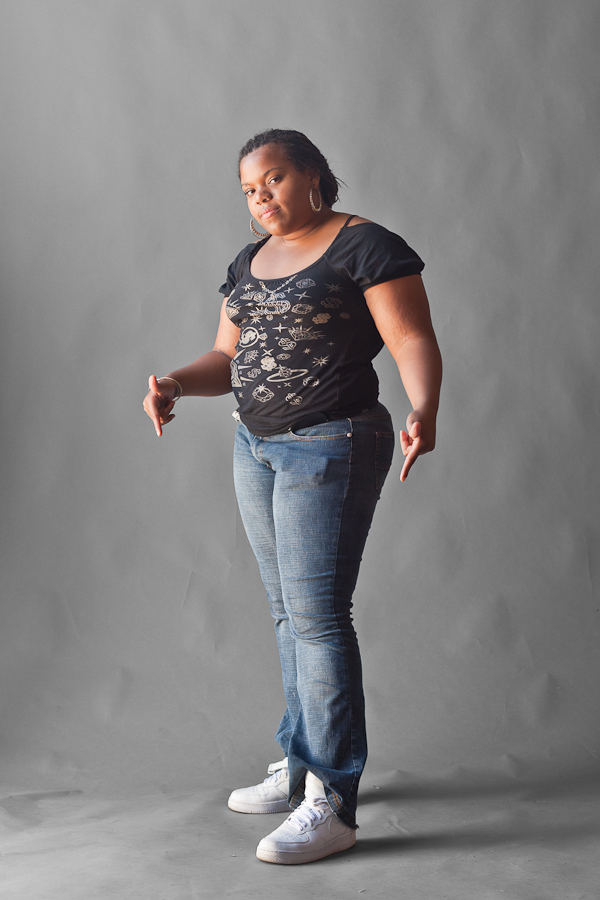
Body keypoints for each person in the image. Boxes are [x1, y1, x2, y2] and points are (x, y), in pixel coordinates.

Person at [143, 129, 442, 865]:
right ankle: (304, 765)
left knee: (318, 618)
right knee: (288, 614)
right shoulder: (248, 262)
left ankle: (332, 803)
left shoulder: (365, 245)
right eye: (249, 189)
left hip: (331, 441)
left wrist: (424, 408)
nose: (261, 197)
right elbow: (226, 357)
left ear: (313, 175)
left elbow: (409, 336)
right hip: (255, 445)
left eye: (273, 179)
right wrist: (176, 382)